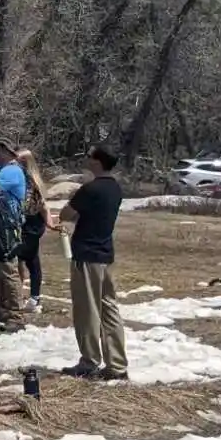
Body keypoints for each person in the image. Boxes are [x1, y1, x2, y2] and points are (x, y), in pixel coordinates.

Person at [61, 145, 128, 381]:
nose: (87, 160)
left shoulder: (89, 189)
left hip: (86, 256)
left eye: (90, 157)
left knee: (87, 311)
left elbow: (66, 214)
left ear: (98, 162)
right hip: (105, 255)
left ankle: (89, 361)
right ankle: (117, 364)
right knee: (109, 309)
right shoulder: (115, 189)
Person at [0, 133, 29, 332]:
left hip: (7, 227)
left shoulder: (12, 171)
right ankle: (2, 308)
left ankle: (16, 315)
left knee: (8, 271)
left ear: (8, 152)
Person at [16, 148, 57, 311]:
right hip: (21, 223)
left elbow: (42, 207)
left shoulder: (32, 181)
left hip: (31, 225)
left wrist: (50, 223)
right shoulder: (16, 178)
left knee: (28, 260)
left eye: (18, 160)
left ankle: (33, 297)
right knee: (21, 261)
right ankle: (19, 294)